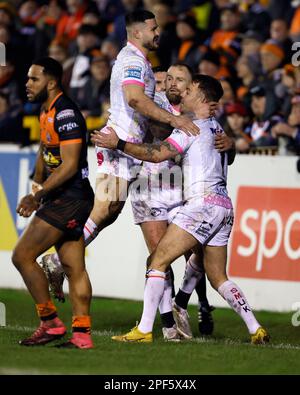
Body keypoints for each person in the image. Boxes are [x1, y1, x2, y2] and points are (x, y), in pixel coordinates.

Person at [92, 74, 270, 345]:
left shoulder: (191, 127)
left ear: (201, 98)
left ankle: (144, 330)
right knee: (219, 277)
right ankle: (255, 328)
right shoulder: (218, 128)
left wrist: (117, 144)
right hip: (224, 207)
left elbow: (156, 154)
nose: (183, 94)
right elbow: (227, 154)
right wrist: (232, 146)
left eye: (189, 91)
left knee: (157, 262)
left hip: (202, 204)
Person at [40, 10, 199, 302]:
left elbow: (143, 105)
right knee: (105, 207)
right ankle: (57, 260)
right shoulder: (132, 60)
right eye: (153, 28)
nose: (157, 32)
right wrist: (174, 121)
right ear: (137, 32)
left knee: (110, 211)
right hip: (118, 141)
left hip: (127, 146)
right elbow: (134, 99)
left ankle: (59, 259)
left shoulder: (142, 63)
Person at [12, 57, 94, 349]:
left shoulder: (66, 112)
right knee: (74, 267)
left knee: (22, 256)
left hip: (70, 197)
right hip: (67, 197)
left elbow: (69, 165)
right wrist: (36, 185)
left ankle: (50, 323)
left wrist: (37, 196)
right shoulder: (46, 111)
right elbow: (45, 151)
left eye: (34, 79)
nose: (27, 84)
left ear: (51, 81)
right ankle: (82, 335)